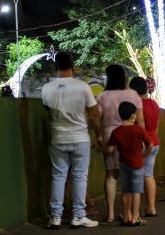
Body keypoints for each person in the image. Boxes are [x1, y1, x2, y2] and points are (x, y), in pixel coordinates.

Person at [42, 52, 101, 229]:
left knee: (58, 177)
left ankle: (55, 217)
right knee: (80, 178)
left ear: (55, 67)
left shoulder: (47, 88)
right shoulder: (83, 87)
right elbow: (94, 113)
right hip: (80, 138)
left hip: (58, 138)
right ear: (72, 66)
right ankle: (78, 216)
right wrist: (98, 134)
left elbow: (46, 108)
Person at [97, 64, 145, 222]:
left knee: (111, 175)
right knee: (130, 176)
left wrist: (98, 136)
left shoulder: (103, 96)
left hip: (110, 135)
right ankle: (131, 214)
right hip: (131, 137)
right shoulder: (133, 95)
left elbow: (97, 118)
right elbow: (140, 120)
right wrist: (142, 139)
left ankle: (110, 213)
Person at [105, 102, 152, 226]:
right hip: (137, 164)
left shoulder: (116, 132)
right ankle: (135, 218)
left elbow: (110, 150)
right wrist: (145, 155)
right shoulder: (138, 130)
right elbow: (150, 144)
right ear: (133, 115)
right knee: (136, 191)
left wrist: (101, 147)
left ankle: (126, 217)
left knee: (126, 191)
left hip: (124, 165)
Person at [129, 76, 160, 218]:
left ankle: (134, 213)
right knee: (148, 175)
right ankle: (151, 208)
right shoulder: (154, 104)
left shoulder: (137, 105)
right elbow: (157, 126)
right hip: (154, 143)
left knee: (135, 177)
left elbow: (137, 124)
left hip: (141, 144)